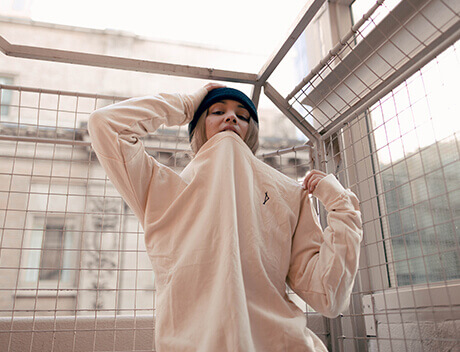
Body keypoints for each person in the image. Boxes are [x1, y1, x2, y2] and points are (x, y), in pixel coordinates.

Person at [87, 83, 363, 352]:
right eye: (217, 111)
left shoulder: (289, 194)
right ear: (198, 127)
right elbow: (105, 124)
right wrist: (187, 105)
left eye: (242, 116)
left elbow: (329, 295)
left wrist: (341, 206)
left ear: (251, 131)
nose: (231, 117)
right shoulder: (161, 190)